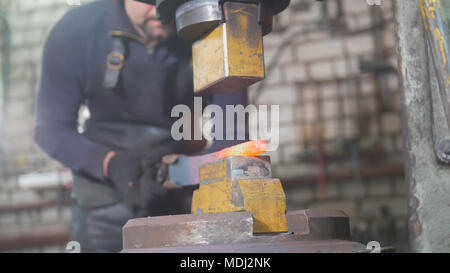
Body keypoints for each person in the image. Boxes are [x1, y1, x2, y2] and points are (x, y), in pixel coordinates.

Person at [34, 0, 247, 253]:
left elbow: (231, 133)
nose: (159, 10)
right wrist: (113, 165)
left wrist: (189, 170)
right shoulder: (76, 31)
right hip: (101, 211)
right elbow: (51, 130)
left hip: (173, 200)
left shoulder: (206, 30)